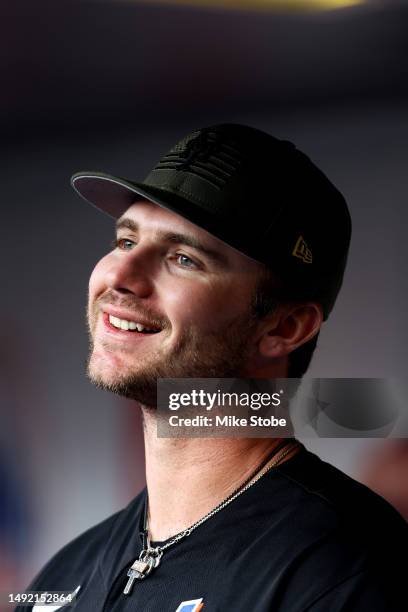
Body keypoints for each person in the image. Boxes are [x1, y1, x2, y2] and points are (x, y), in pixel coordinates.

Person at [18, 124, 407, 611]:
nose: (119, 276)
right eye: (125, 242)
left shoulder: (343, 567)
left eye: (183, 258)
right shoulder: (63, 576)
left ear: (284, 327)